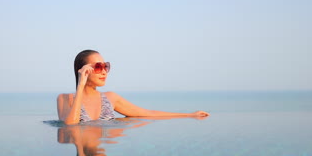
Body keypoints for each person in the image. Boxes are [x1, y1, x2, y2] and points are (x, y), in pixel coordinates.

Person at [57, 49, 209, 125]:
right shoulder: (65, 98)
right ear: (83, 70)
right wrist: (81, 84)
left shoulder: (110, 98)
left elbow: (147, 113)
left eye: (106, 66)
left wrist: (190, 115)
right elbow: (70, 125)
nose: (104, 71)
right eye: (97, 67)